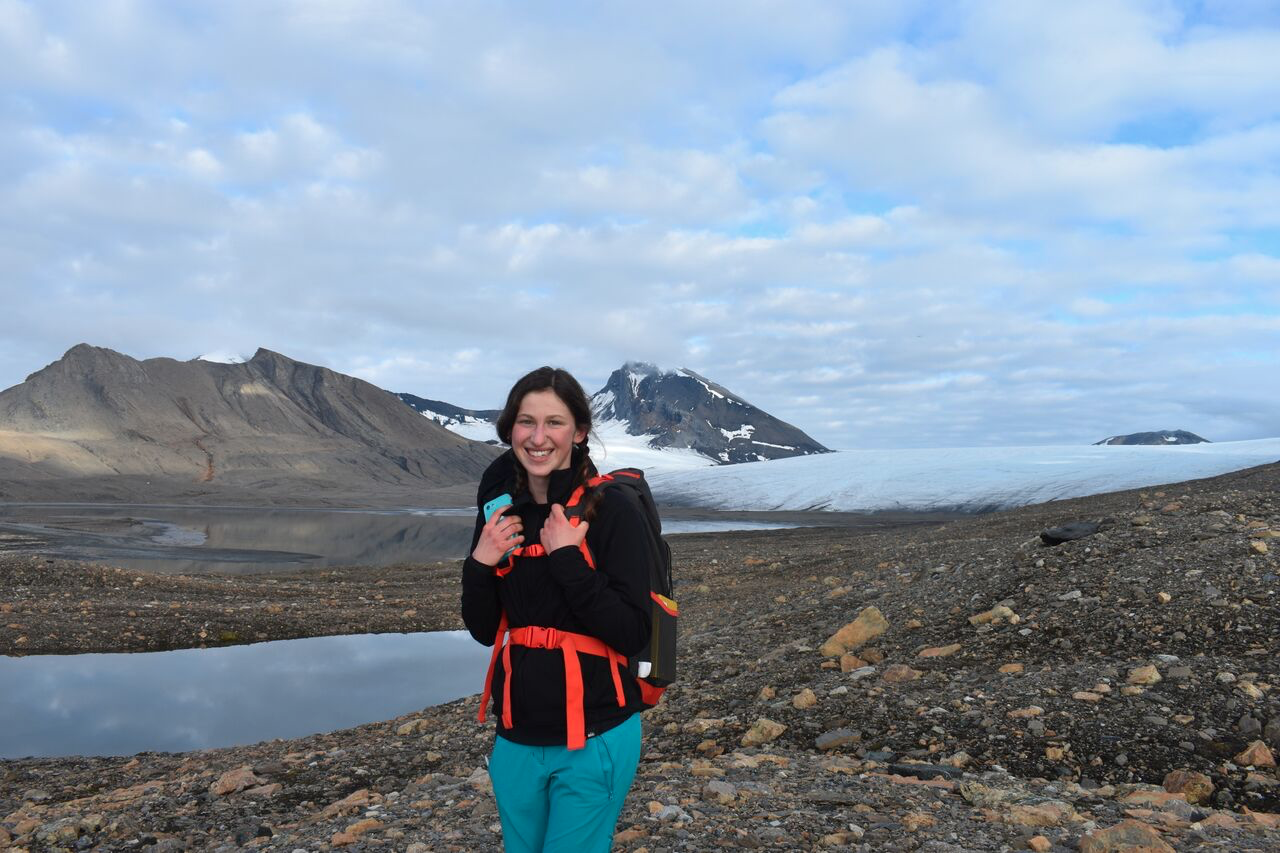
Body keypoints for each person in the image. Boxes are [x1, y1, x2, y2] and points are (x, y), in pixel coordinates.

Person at [461, 366, 654, 853]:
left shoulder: (613, 510)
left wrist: (567, 557)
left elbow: (633, 631)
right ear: (510, 429)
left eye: (555, 422)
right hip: (516, 737)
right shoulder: (499, 509)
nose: (538, 437)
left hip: (596, 735)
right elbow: (484, 630)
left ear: (580, 431)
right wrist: (481, 563)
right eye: (526, 422)